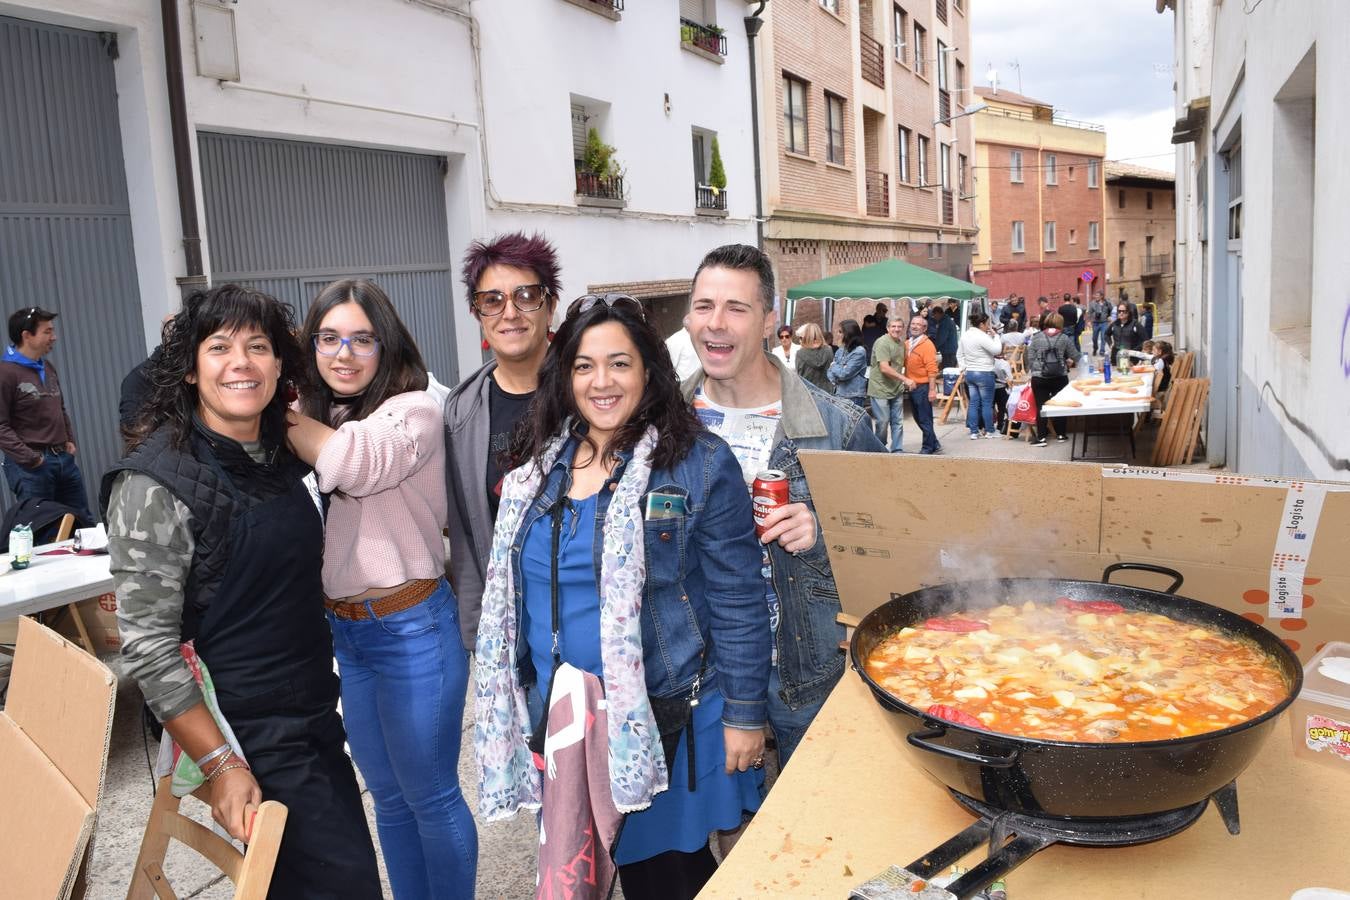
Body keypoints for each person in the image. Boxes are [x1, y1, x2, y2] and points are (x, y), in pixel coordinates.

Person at [473, 293, 769, 899]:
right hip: (562, 722)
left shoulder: (697, 463)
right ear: (565, 375)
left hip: (662, 718)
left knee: (664, 875)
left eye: (619, 364)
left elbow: (739, 601)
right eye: (584, 365)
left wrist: (744, 714)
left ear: (649, 372)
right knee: (581, 862)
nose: (600, 382)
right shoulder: (541, 463)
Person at [103, 285, 381, 898]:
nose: (241, 362)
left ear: (281, 364)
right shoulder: (154, 482)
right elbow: (148, 649)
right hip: (244, 731)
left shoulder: (285, 455)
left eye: (258, 346)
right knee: (348, 883)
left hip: (312, 715)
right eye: (219, 347)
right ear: (190, 369)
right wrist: (222, 765)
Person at [286, 280, 477, 898]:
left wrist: (269, 406)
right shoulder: (321, 414)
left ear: (385, 343)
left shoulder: (415, 408)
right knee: (390, 800)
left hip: (412, 628)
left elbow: (356, 462)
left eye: (361, 339)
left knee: (430, 794)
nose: (344, 353)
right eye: (329, 338)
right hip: (348, 633)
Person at [682, 244, 882, 769]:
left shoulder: (841, 427)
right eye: (704, 306)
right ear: (687, 317)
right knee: (719, 835)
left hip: (806, 676)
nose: (716, 324)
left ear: (771, 321)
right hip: (697, 675)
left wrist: (828, 533)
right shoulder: (659, 426)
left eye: (736, 309)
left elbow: (895, 551)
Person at [445, 232, 561, 651]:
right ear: (478, 314)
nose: (509, 313)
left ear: (551, 306)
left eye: (526, 295)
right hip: (515, 626)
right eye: (492, 300)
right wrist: (480, 633)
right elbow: (466, 533)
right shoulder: (462, 410)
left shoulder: (589, 392)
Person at [0, 306, 92, 522]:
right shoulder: (6, 373)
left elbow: (60, 406)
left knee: (81, 522)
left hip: (63, 460)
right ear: (26, 335)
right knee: (41, 527)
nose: (54, 337)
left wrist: (69, 440)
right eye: (47, 332)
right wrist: (32, 459)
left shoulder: (47, 366)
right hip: (31, 467)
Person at [1027, 312, 1081, 447]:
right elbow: (1076, 356)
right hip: (1059, 377)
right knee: (1060, 404)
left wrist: (1037, 369)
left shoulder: (1036, 337)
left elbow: (1030, 357)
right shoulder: (1064, 338)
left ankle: (1041, 437)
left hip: (1040, 378)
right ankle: (1061, 434)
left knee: (1041, 406)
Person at [902, 313, 941, 454]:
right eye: (913, 324)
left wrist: (932, 390)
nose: (915, 327)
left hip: (923, 387)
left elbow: (932, 370)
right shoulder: (907, 343)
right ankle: (934, 443)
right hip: (912, 386)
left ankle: (928, 448)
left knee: (924, 419)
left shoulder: (927, 345)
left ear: (924, 328)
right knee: (918, 418)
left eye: (918, 325)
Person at [960, 311, 1002, 440]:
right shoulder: (981, 336)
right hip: (984, 372)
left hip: (970, 372)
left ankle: (974, 431)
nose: (989, 326)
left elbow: (959, 354)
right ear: (982, 324)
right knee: (987, 403)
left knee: (973, 403)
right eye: (987, 323)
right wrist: (996, 337)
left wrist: (964, 367)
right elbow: (997, 350)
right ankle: (990, 430)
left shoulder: (965, 335)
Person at [867, 316, 906, 452]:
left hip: (896, 389)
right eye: (893, 326)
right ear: (888, 328)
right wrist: (905, 379)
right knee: (883, 422)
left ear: (902, 328)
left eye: (899, 326)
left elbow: (900, 364)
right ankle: (879, 447)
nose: (896, 329)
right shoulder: (883, 342)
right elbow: (884, 368)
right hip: (880, 388)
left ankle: (897, 449)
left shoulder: (901, 344)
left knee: (898, 422)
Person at [827, 320, 869, 410]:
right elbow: (830, 373)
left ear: (848, 333)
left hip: (853, 396)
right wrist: (838, 369)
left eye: (840, 332)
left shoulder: (859, 351)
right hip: (838, 393)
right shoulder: (841, 350)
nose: (838, 334)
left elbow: (844, 374)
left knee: (851, 424)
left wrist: (834, 366)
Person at [794, 323, 833, 393]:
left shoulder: (800, 353)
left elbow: (800, 375)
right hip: (827, 393)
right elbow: (831, 372)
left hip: (809, 393)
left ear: (806, 336)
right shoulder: (828, 350)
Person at [928, 305, 959, 370]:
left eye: (934, 315)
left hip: (948, 351)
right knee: (947, 369)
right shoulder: (946, 320)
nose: (934, 317)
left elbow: (941, 338)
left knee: (948, 371)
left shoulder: (945, 322)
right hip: (949, 350)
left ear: (938, 314)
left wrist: (934, 349)